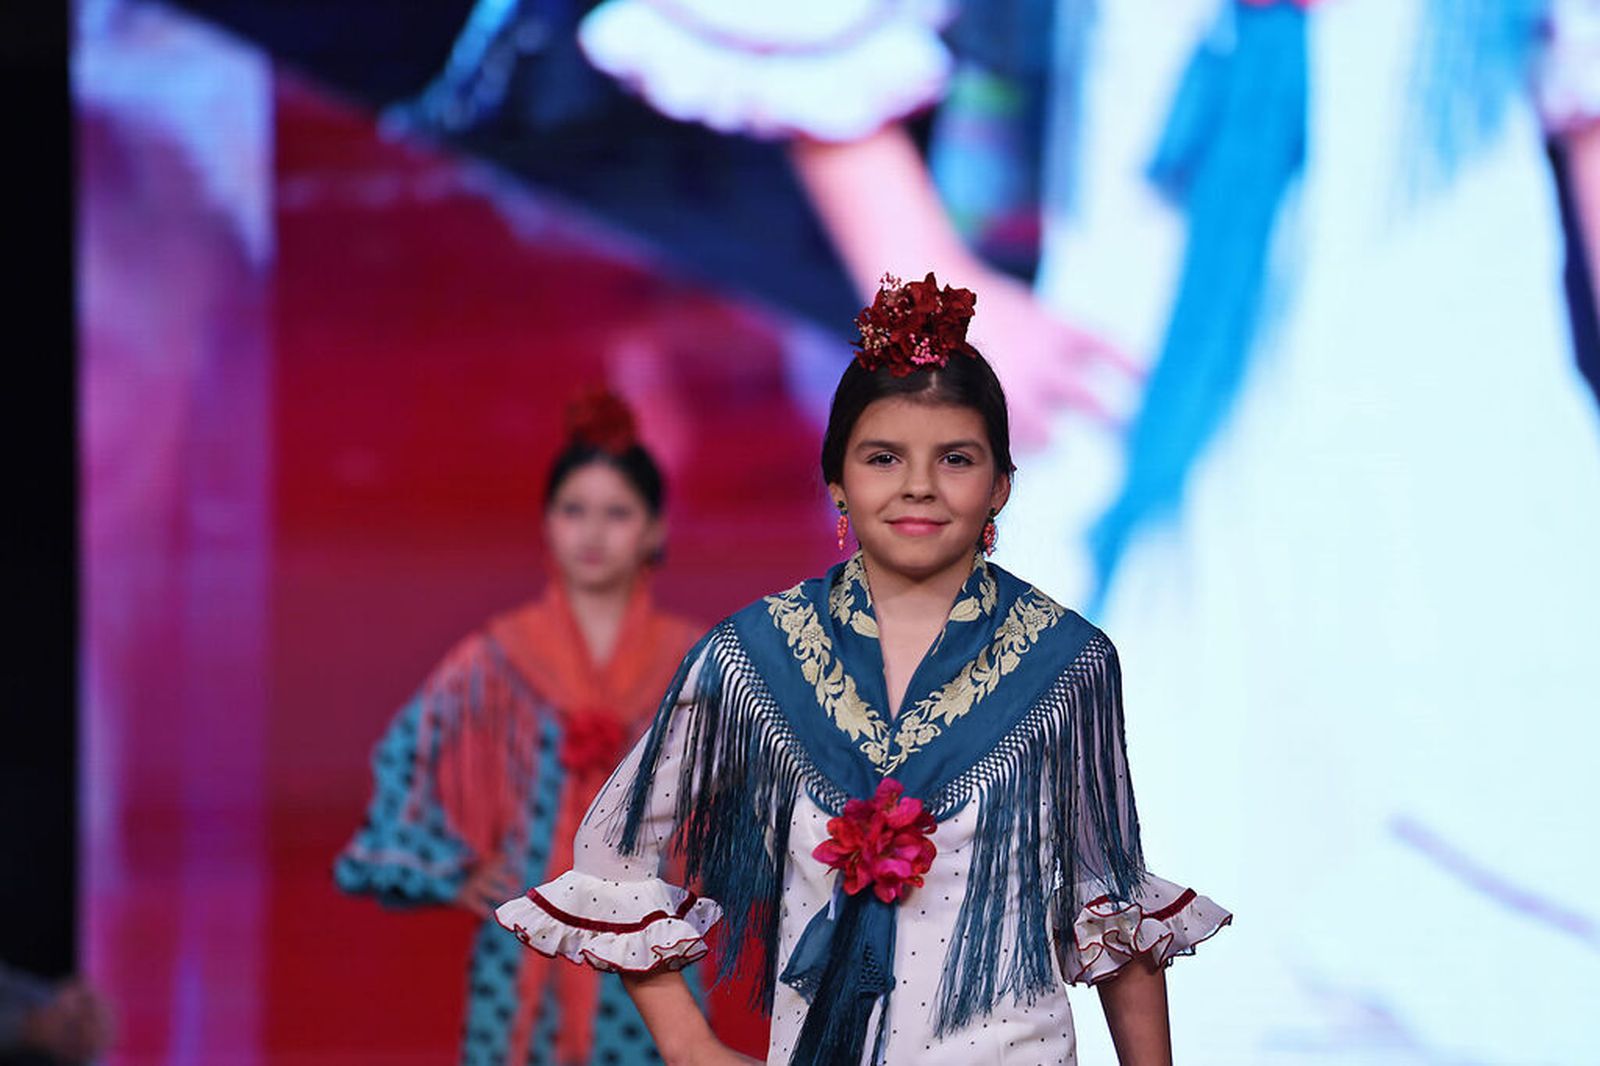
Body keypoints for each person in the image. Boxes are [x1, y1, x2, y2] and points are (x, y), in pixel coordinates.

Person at [496, 275, 1229, 1065]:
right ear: (838, 482)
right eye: (884, 458)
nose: (919, 486)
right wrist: (690, 1047)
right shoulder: (754, 657)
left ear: (1001, 487)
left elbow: (1109, 901)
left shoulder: (1066, 664)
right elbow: (612, 850)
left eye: (955, 459)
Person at [336, 389, 701, 1066]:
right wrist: (450, 871)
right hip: (520, 953)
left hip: (649, 952)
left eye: (618, 513)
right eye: (574, 510)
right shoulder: (499, 659)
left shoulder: (693, 666)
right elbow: (407, 758)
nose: (592, 532)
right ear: (547, 524)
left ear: (655, 530)